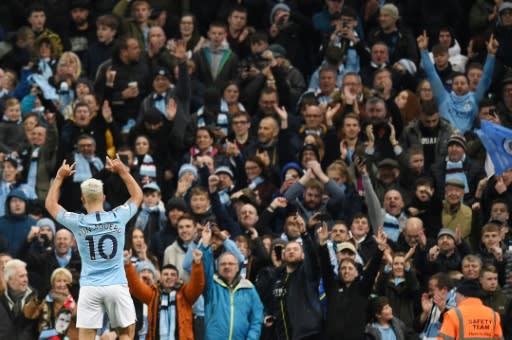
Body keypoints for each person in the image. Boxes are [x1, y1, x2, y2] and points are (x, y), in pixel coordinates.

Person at [45, 156, 143, 340]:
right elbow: (137, 195)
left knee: (87, 336)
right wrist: (122, 171)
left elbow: (50, 205)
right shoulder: (118, 216)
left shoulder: (78, 222)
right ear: (104, 197)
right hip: (116, 284)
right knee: (125, 334)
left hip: (90, 287)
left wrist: (59, 177)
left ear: (83, 200)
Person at [124, 247, 205, 340]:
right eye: (166, 274)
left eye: (173, 274)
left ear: (178, 279)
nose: (169, 277)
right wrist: (127, 264)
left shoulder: (185, 294)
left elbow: (198, 285)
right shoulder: (153, 294)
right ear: (160, 278)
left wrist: (197, 263)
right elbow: (136, 287)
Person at [438, 279, 503, 339]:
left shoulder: (452, 315)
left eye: (456, 295)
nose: (455, 299)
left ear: (462, 295)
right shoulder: (493, 315)